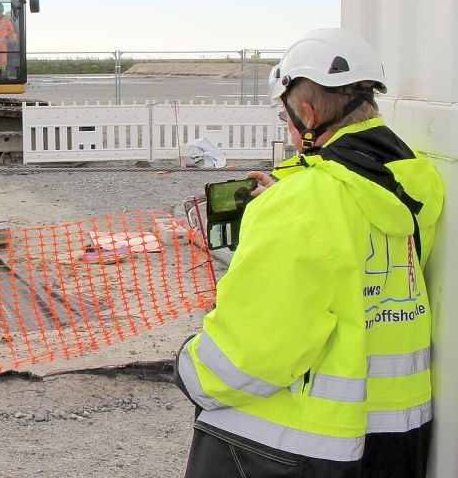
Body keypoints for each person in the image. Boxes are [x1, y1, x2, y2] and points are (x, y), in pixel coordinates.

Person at [174, 28, 443, 477]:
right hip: (398, 437)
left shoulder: (300, 206)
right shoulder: (415, 186)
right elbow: (353, 263)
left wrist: (191, 370)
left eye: (286, 118)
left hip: (289, 450)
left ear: (308, 113)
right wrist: (292, 196)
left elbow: (251, 356)